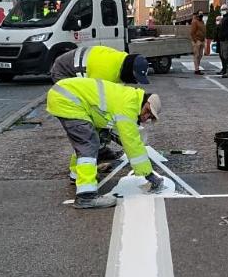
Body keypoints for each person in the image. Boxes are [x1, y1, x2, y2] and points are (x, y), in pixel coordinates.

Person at [47, 78, 163, 209]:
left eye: (151, 117)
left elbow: (104, 115)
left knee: (86, 141)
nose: (146, 117)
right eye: (148, 111)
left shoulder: (129, 97)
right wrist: (149, 174)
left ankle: (77, 176)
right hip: (68, 99)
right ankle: (86, 196)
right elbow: (132, 144)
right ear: (145, 101)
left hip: (66, 96)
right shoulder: (129, 106)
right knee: (88, 143)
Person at [50, 45, 151, 162]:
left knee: (97, 125)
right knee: (84, 126)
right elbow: (97, 105)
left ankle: (96, 154)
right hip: (64, 72)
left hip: (72, 68)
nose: (134, 82)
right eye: (134, 78)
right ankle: (89, 159)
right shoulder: (105, 72)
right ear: (129, 71)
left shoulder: (120, 63)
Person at [189, 10, 206, 75]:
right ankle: (197, 69)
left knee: (200, 55)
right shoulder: (195, 22)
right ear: (197, 14)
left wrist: (204, 39)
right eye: (200, 14)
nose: (201, 15)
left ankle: (197, 67)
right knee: (196, 55)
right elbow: (192, 33)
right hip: (197, 41)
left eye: (202, 13)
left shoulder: (202, 22)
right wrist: (195, 41)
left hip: (202, 40)